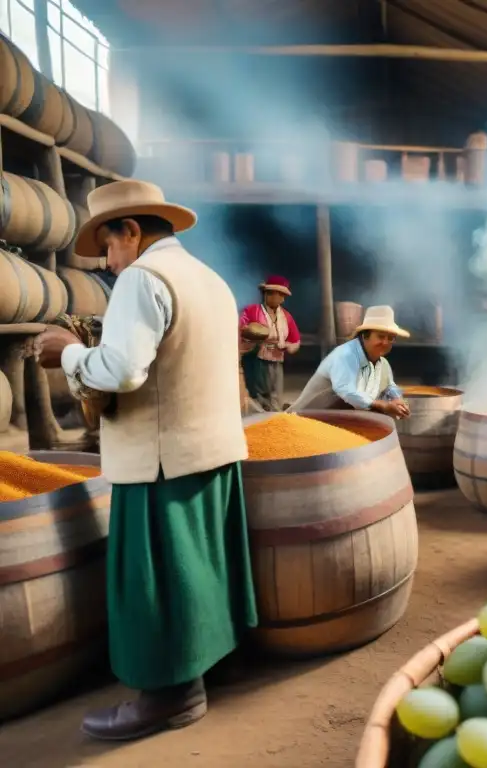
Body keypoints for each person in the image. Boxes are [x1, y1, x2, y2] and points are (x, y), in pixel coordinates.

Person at [32, 180, 258, 741]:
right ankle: (211, 665)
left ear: (131, 232)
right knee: (203, 570)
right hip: (214, 451)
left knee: (156, 581)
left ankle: (169, 696)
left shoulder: (141, 277)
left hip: (160, 460)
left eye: (107, 247)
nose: (107, 263)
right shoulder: (211, 280)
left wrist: (70, 354)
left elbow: (126, 371)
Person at [286, 304, 411, 420]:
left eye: (390, 339)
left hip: (338, 424)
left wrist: (398, 400)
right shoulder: (344, 356)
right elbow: (347, 391)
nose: (385, 343)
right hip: (304, 420)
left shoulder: (383, 364)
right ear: (365, 336)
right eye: (381, 337)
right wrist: (382, 405)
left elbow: (389, 386)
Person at [239, 275, 301, 411]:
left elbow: (295, 340)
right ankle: (262, 418)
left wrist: (288, 346)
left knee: (276, 394)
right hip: (257, 360)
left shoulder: (286, 316)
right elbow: (240, 330)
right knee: (260, 394)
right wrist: (252, 335)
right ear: (268, 294)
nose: (282, 299)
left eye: (283, 296)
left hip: (277, 360)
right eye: (279, 295)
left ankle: (274, 418)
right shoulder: (251, 311)